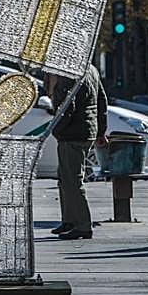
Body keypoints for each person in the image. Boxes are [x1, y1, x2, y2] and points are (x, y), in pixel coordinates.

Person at [49, 65, 108, 241]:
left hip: (72, 133)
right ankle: (68, 220)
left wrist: (56, 130)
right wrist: (100, 131)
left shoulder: (68, 71)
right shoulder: (91, 69)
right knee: (65, 177)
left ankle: (82, 225)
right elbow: (101, 100)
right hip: (87, 131)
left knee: (72, 181)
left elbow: (67, 107)